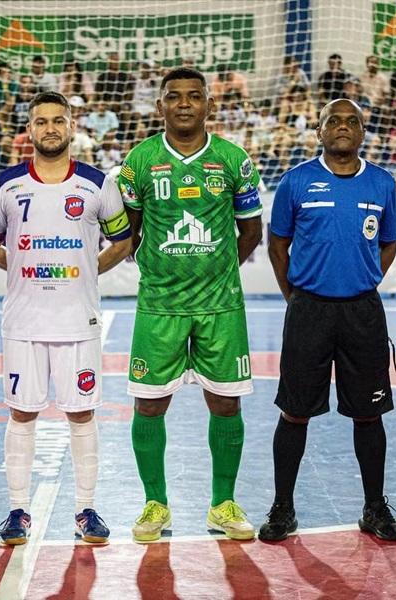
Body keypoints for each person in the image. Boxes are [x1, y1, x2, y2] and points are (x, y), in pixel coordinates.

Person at [0, 91, 132, 546]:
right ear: (30, 129)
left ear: (71, 127)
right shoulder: (5, 184)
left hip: (78, 321)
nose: (50, 128)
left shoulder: (96, 182)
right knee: (22, 413)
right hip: (24, 321)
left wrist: (88, 269)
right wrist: (24, 269)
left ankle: (86, 510)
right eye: (41, 121)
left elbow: (122, 240)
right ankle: (17, 511)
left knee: (81, 414)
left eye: (58, 121)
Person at [119, 67, 263, 543]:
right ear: (159, 105)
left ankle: (223, 503)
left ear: (208, 105)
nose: (184, 104)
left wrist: (218, 271)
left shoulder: (233, 159)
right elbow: (130, 233)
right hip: (159, 306)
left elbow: (251, 232)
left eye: (194, 96)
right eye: (174, 97)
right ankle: (154, 504)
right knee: (148, 405)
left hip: (220, 308)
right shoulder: (138, 162)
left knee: (224, 404)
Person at [260, 98, 396, 543]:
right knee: (294, 412)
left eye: (352, 122)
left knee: (369, 414)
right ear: (319, 131)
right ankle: (283, 508)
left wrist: (360, 282)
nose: (343, 127)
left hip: (362, 312)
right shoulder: (296, 181)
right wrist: (298, 296)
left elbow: (387, 245)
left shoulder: (382, 184)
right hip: (308, 310)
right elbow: (277, 244)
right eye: (333, 121)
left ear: (363, 132)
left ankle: (374, 507)